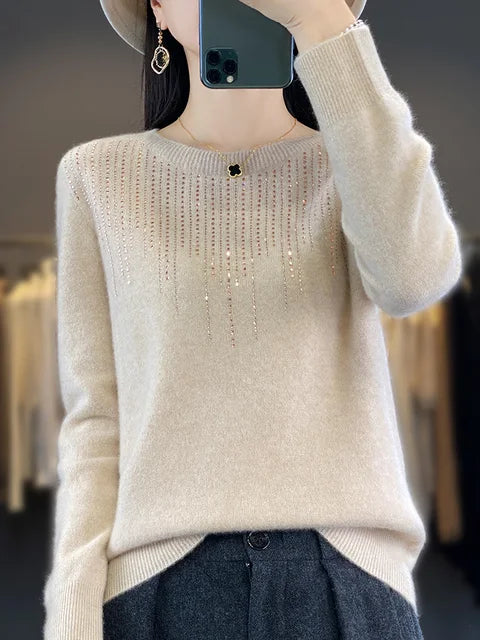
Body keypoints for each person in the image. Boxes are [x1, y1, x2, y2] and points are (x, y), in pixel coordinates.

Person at [42, 0, 463, 638]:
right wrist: (72, 614)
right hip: (158, 588)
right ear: (157, 7)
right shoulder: (96, 177)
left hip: (348, 579)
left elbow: (415, 279)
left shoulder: (356, 165)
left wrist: (323, 25)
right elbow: (95, 419)